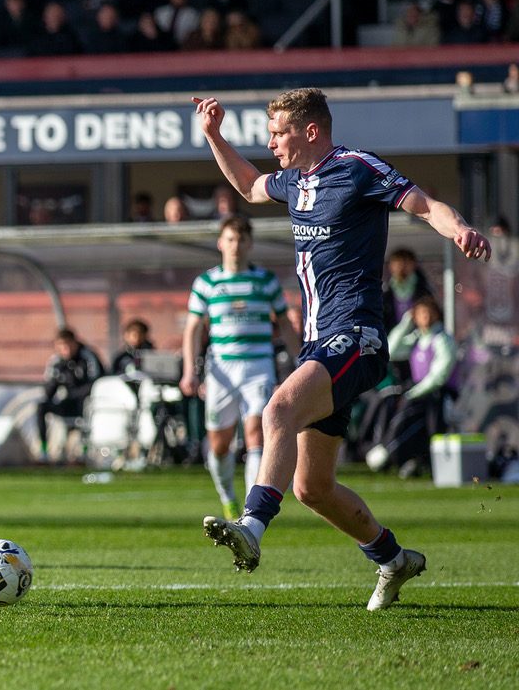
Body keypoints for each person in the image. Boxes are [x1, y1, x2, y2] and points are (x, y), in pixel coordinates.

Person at [192, 88, 491, 609]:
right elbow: (247, 185)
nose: (271, 143)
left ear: (310, 131)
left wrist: (459, 227)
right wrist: (214, 135)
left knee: (278, 408)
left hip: (355, 336)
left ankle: (253, 527)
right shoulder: (295, 181)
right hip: (320, 343)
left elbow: (423, 206)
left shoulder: (356, 168)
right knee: (312, 487)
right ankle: (394, 560)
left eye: (279, 133)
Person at [180, 215, 299, 521]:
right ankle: (227, 496)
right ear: (221, 243)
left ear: (250, 244)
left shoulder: (266, 281)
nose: (235, 246)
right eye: (230, 240)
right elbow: (193, 328)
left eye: (241, 240)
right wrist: (189, 371)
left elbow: (284, 323)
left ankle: (250, 513)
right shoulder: (206, 282)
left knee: (255, 434)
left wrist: (300, 361)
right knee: (219, 445)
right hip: (221, 369)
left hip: (258, 366)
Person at [367, 296, 457, 478]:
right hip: (419, 392)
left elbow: (438, 377)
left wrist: (413, 393)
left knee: (423, 421)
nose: (426, 318)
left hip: (438, 394)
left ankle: (396, 454)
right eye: (421, 314)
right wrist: (406, 323)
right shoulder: (417, 338)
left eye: (429, 313)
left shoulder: (442, 339)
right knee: (390, 403)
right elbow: (391, 348)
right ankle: (391, 451)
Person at [36, 329, 106, 463]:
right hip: (66, 402)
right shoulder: (56, 361)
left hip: (85, 403)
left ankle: (83, 454)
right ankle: (44, 452)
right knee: (41, 406)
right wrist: (56, 378)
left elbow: (96, 383)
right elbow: (48, 392)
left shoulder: (88, 357)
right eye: (61, 346)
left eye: (68, 345)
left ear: (75, 343)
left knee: (85, 405)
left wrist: (74, 393)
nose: (65, 349)